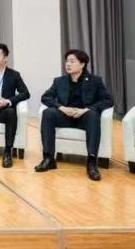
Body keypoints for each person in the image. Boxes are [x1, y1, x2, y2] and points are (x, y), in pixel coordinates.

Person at [35, 49, 115, 182]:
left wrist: (86, 110)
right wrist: (62, 108)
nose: (68, 64)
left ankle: (91, 163)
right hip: (65, 116)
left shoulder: (95, 81)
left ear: (82, 64)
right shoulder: (59, 81)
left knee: (93, 115)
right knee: (48, 113)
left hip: (84, 117)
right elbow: (46, 97)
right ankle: (49, 159)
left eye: (72, 61)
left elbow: (108, 100)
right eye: (67, 61)